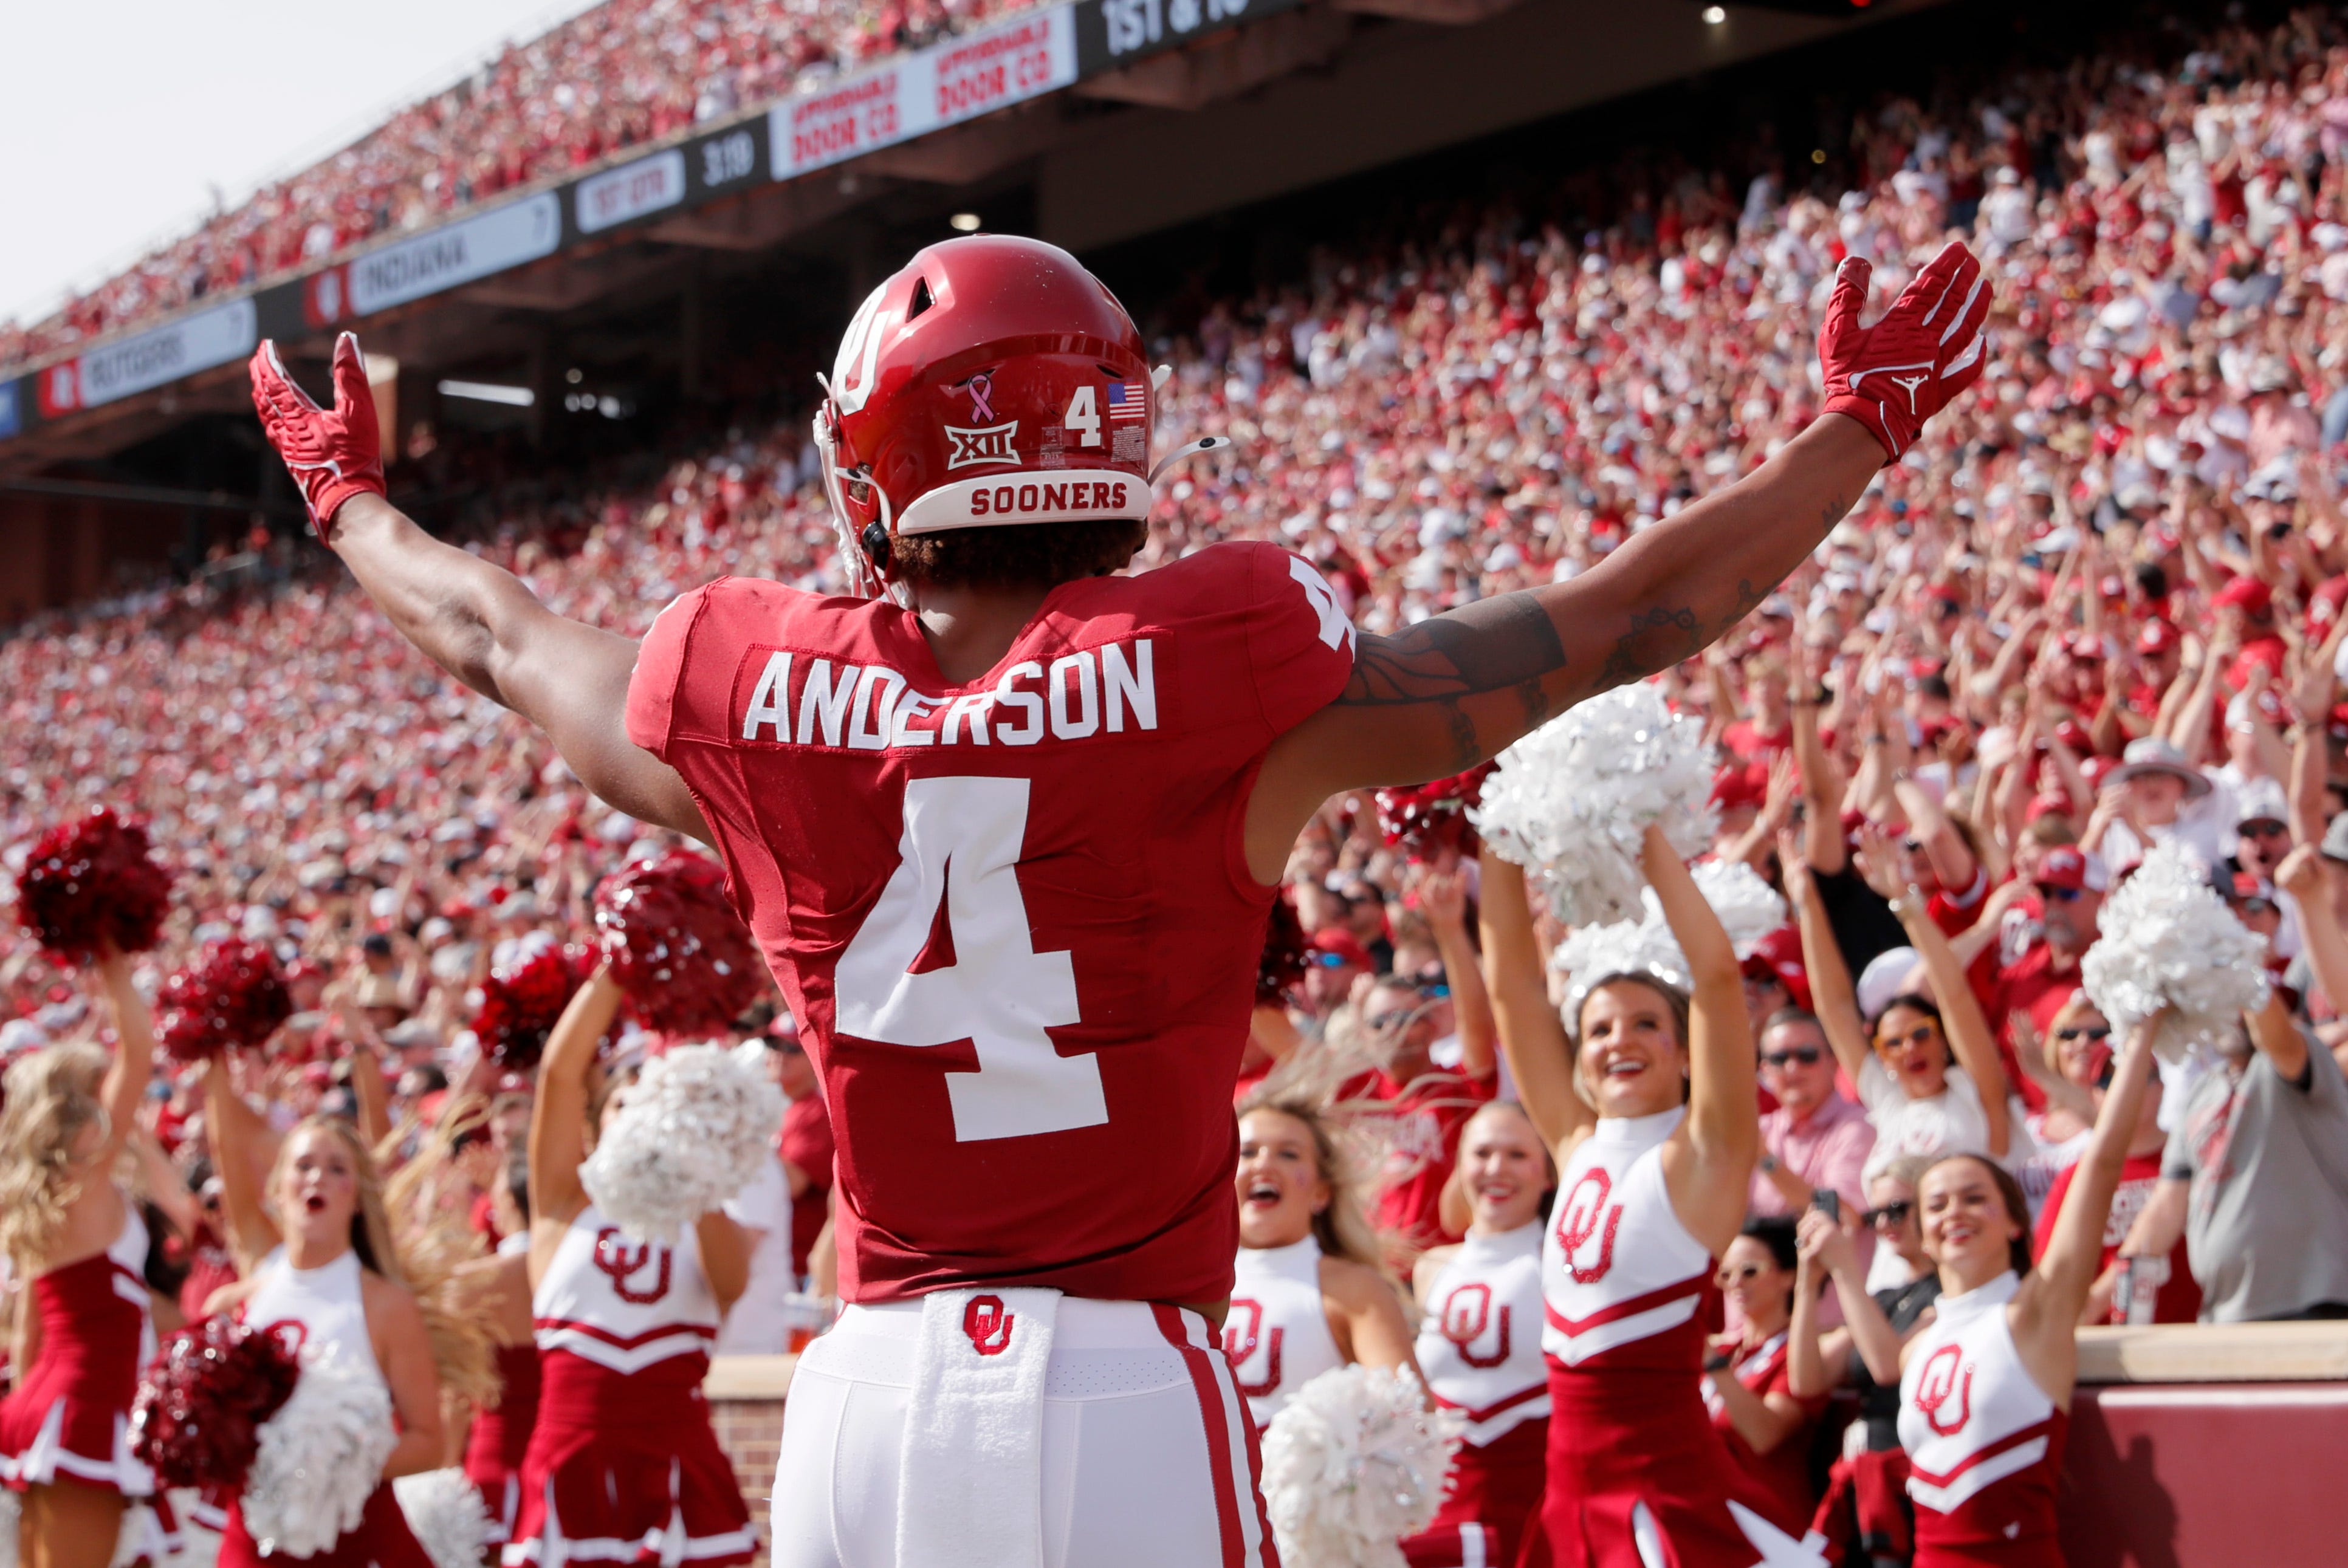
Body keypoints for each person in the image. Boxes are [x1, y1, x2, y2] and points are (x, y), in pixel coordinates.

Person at [250, 231, 1987, 1563]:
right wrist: (1854, 430)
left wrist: (347, 497)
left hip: (870, 1390)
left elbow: (490, 630)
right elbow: (1610, 622)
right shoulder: (1227, 668)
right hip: (1128, 1386)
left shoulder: (746, 689)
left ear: (878, 462)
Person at [1481, 829, 1814, 1567]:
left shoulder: (1703, 1156)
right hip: (1568, 1500)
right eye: (1598, 1028)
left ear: (1685, 1050)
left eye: (1646, 1023)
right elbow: (1508, 983)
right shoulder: (1573, 1145)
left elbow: (1718, 980)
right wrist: (1497, 824)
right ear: (1581, 1061)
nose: (1617, 1040)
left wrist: (1648, 839)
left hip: (1663, 1497)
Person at [507, 968, 757, 1566]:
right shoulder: (562, 1207)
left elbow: (731, 1286)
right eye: (625, 1103)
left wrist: (692, 1168)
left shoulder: (705, 1212)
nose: (639, 1116)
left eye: (652, 1105)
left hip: (677, 1458)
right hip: (572, 1462)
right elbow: (560, 1073)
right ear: (593, 1129)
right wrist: (620, 967)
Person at [1895, 1013, 2160, 1567]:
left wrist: (2143, 1029)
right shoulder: (1916, 1348)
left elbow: (2105, 1157)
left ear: (2015, 1221)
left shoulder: (2033, 1312)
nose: (1955, 1214)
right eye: (1937, 1205)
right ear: (1921, 1233)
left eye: (1974, 1197)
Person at [199, 1070, 484, 1567]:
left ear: (355, 1197)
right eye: (304, 1165)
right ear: (279, 1187)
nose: (317, 1177)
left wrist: (329, 1467)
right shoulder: (234, 1304)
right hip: (257, 1543)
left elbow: (428, 1442)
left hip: (359, 1542)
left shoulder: (386, 1305)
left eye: (336, 1169)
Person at [0, 950, 168, 1568]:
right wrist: (116, 955)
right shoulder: (87, 1183)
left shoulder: (62, 1197)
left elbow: (27, 1338)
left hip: (54, 1400)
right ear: (84, 1112)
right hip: (87, 1403)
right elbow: (140, 1049)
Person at [1793, 838, 2020, 1215]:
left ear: (1944, 1041)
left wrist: (1902, 899)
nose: (1909, 1049)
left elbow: (1954, 994)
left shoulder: (1974, 1093)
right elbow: (1833, 1008)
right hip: (1896, 1269)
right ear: (1882, 1055)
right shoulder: (1888, 1103)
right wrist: (1808, 901)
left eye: (1920, 1034)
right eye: (1893, 1044)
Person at [1403, 1102, 1552, 1568]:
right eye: (1482, 1153)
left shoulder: (1564, 1261)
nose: (1496, 1169)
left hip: (1541, 1494)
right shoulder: (1430, 1268)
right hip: (1444, 1500)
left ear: (1547, 1171)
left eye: (1516, 1154)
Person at [1226, 1097, 1418, 1428]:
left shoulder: (1353, 1288)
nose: (1264, 1164)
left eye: (1288, 1154)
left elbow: (1409, 1420)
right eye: (1247, 1152)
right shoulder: (1184, 1285)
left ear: (1320, 1193)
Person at [1790, 1158, 1943, 1568]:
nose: (1883, 1224)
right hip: (1864, 1485)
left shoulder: (1951, 1291)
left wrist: (1845, 1270)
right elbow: (1807, 1380)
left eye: (1896, 1209)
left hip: (1915, 1481)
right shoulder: (1883, 1297)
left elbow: (1889, 1367)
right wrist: (1809, 1280)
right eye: (1875, 1214)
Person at [1704, 1218, 1829, 1536]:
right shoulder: (1723, 1348)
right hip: (1711, 1519)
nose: (1735, 1283)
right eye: (1726, 1273)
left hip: (1773, 1528)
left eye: (1750, 1271)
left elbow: (1766, 1434)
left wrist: (1713, 1365)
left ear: (1789, 1276)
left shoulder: (1801, 1354)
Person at [456, 1145, 541, 1550]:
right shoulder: (582, 1271)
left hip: (493, 1458)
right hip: (561, 1467)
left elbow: (452, 1395)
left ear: (506, 1202)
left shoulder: (471, 1284)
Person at [1749, 1008, 1876, 1224]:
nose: (1792, 1068)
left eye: (1807, 1056)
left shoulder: (1861, 1126)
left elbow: (1841, 1216)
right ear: (1765, 1070)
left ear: (1834, 1062)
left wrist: (1767, 1162)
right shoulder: (1760, 1130)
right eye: (1780, 1058)